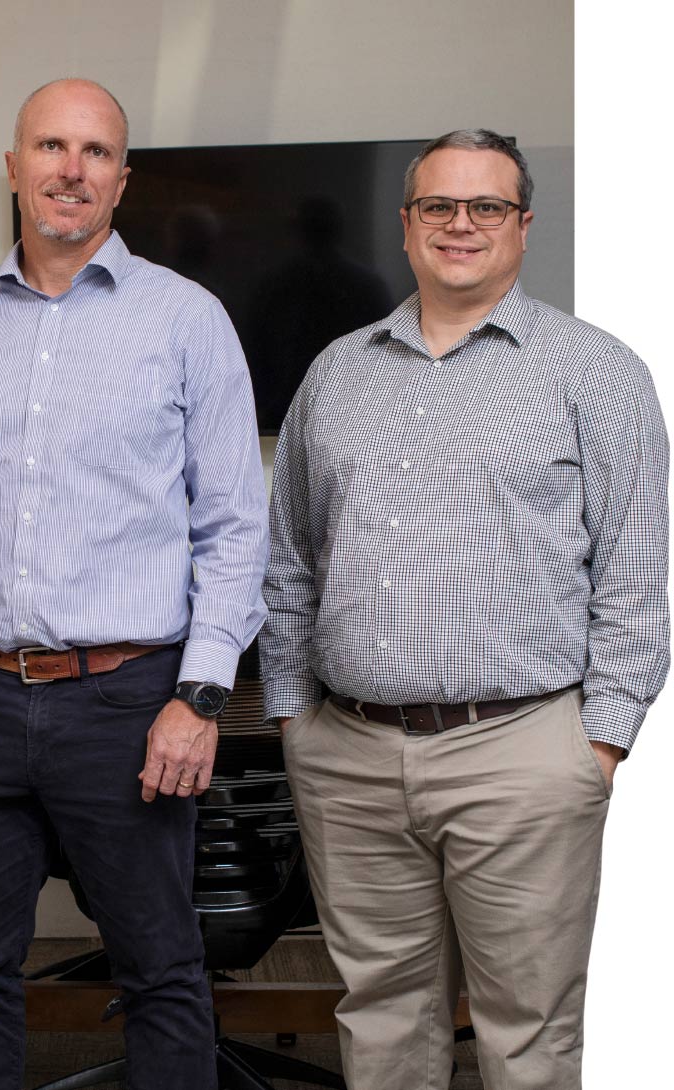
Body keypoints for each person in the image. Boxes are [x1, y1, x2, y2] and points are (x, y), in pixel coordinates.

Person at [260, 128, 669, 1090]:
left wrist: (596, 748)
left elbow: (637, 572)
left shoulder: (595, 370)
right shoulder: (338, 370)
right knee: (380, 1021)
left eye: (486, 206)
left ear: (524, 226)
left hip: (523, 755)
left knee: (525, 1036)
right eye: (438, 206)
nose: (461, 225)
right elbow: (290, 561)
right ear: (406, 226)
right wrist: (293, 723)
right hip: (350, 759)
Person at [0, 78, 268, 1090]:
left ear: (122, 179)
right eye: (51, 146)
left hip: (128, 702)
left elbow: (236, 530)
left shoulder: (188, 323)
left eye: (95, 152)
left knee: (160, 967)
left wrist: (198, 697)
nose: (71, 168)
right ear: (13, 167)